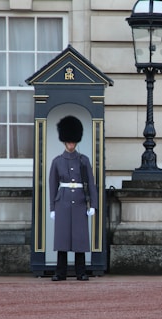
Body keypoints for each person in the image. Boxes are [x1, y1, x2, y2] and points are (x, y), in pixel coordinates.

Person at [49, 115, 98, 281]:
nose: (71, 145)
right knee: (62, 239)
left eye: (73, 142)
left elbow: (91, 184)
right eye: (68, 142)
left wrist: (93, 205)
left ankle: (81, 272)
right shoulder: (57, 162)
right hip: (62, 202)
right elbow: (52, 185)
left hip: (79, 202)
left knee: (80, 238)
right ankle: (60, 272)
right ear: (65, 142)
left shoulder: (84, 161)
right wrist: (52, 208)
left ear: (76, 142)